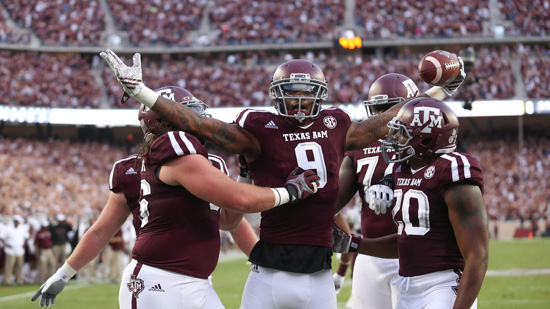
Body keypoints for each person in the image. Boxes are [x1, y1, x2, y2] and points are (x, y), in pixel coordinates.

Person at [100, 49, 464, 308]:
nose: (302, 103)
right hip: (269, 269)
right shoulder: (259, 128)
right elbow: (202, 124)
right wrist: (143, 93)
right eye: (293, 94)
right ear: (277, 96)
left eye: (308, 95)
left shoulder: (337, 124)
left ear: (321, 95)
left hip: (317, 270)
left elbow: (380, 124)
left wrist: (434, 94)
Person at [32, 86, 318, 308]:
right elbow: (101, 231)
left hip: (197, 284)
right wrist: (289, 192)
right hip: (158, 282)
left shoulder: (205, 163)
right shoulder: (173, 146)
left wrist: (244, 176)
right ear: (167, 119)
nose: (197, 120)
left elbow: (231, 221)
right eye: (188, 113)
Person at [332, 97, 489, 309]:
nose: (392, 139)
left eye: (401, 133)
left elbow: (477, 255)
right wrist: (352, 243)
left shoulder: (452, 171)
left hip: (442, 285)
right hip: (409, 286)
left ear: (425, 139)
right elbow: (408, 241)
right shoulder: (403, 170)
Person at [334, 73, 419, 308]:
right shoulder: (359, 148)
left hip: (416, 253)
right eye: (378, 110)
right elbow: (331, 203)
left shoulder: (427, 144)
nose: (384, 118)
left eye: (388, 110)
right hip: (372, 254)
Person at [0, 215, 30, 285]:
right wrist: (6, 244)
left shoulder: (22, 228)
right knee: (9, 266)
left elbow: (27, 237)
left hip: (20, 251)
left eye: (17, 222)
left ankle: (20, 280)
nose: (16, 223)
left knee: (19, 267)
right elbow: (1, 237)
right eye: (15, 221)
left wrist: (24, 244)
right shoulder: (8, 228)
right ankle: (7, 281)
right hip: (10, 251)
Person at [34, 220, 56, 284]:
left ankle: (51, 279)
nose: (46, 228)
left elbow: (50, 241)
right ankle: (41, 280)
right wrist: (37, 253)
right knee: (43, 266)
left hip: (49, 250)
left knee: (52, 264)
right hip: (42, 250)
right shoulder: (39, 233)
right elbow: (36, 244)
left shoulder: (49, 232)